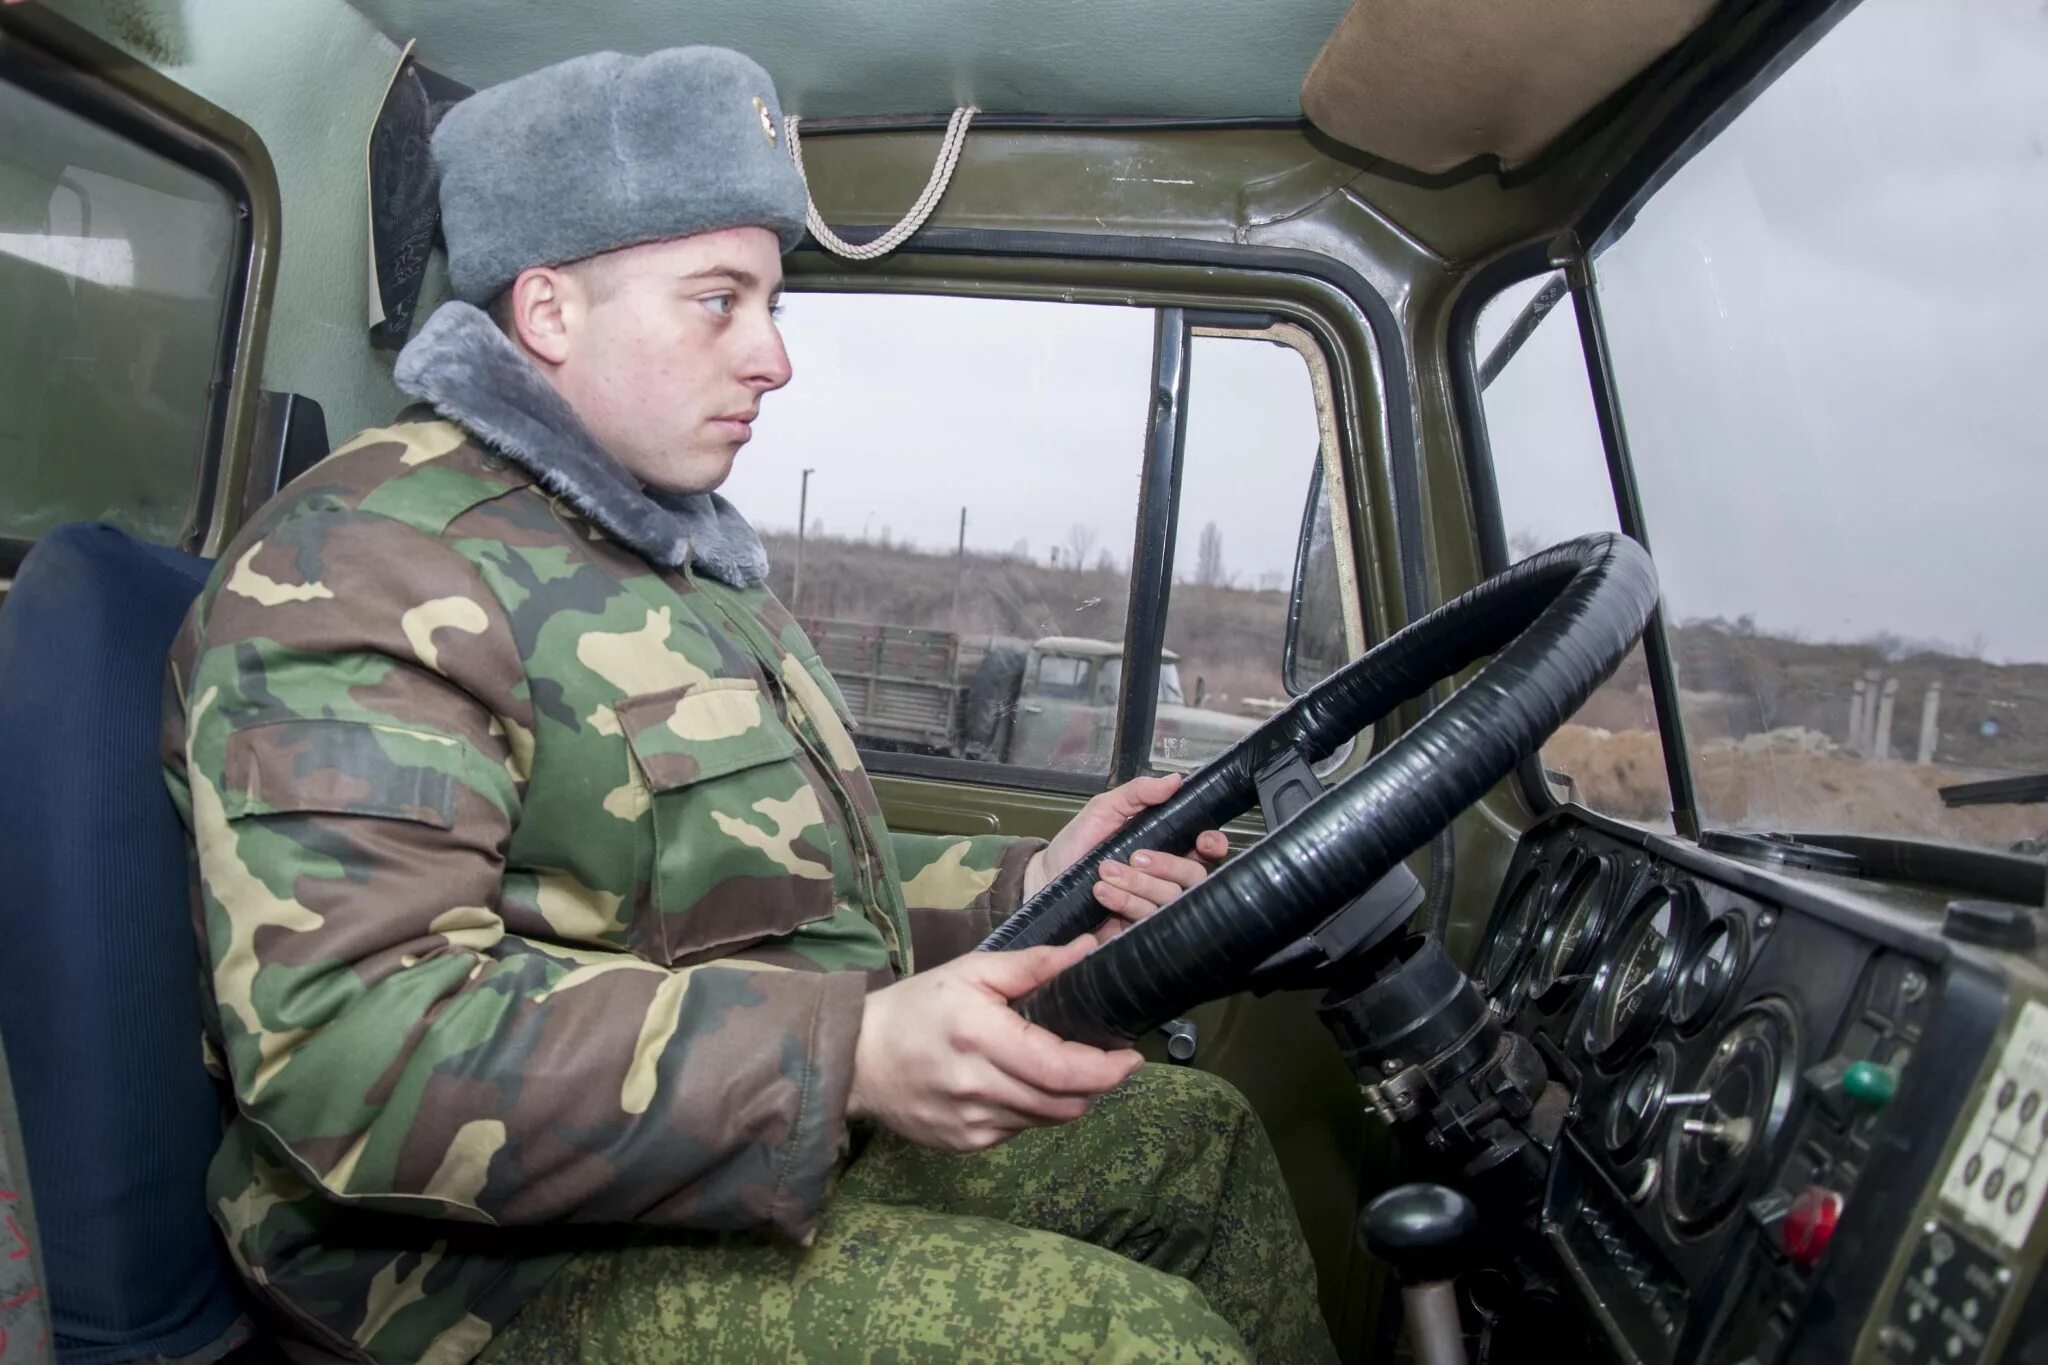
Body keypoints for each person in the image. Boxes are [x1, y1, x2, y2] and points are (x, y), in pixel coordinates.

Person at [162, 46, 1335, 1365]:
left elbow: (769, 878)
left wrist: (1033, 879)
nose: (772, 356)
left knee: (1203, 1149)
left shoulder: (671, 555)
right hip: (474, 1276)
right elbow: (346, 1053)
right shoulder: (364, 564)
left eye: (773, 303)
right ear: (549, 311)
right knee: (1134, 1342)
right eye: (718, 302)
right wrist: (850, 1055)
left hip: (705, 1154)